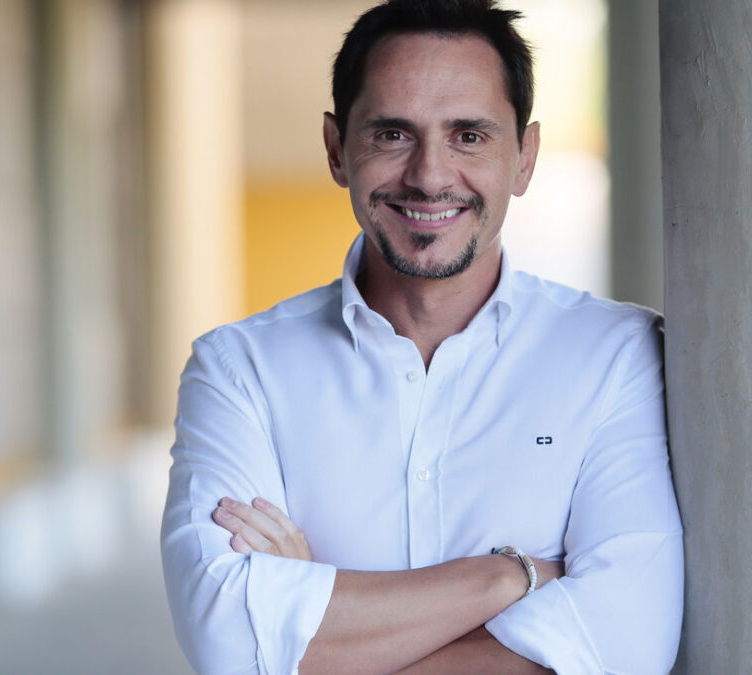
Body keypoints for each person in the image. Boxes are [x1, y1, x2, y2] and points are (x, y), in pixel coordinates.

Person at [160, 1, 683, 672]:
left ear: (524, 158)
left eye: (469, 136)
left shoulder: (617, 356)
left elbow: (625, 643)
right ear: (336, 150)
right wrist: (508, 576)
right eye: (392, 134)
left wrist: (314, 631)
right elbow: (230, 640)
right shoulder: (239, 370)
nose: (430, 176)